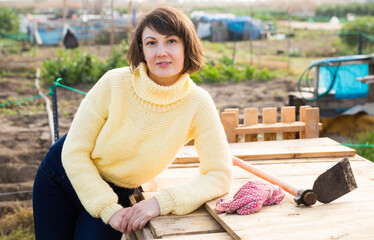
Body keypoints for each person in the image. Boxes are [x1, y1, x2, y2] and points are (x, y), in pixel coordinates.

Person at [32, 6, 232, 240]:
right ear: (141, 49)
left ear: (187, 46)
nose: (161, 52)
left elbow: (220, 175)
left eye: (171, 41)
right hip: (61, 177)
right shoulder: (114, 83)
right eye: (151, 43)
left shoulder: (198, 104)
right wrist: (107, 208)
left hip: (117, 191)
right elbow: (74, 152)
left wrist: (160, 202)